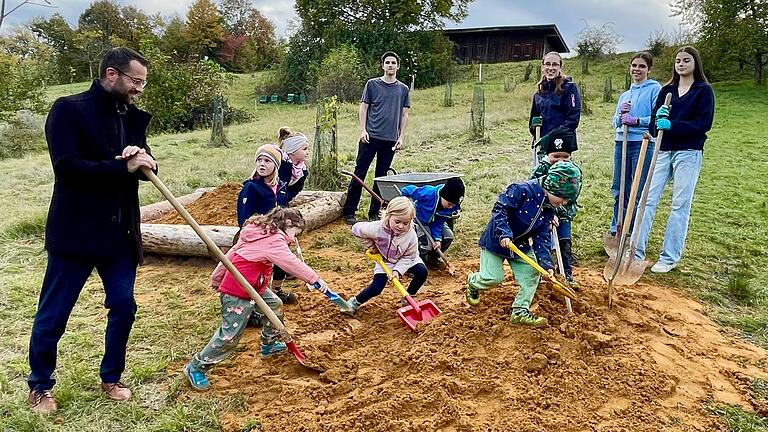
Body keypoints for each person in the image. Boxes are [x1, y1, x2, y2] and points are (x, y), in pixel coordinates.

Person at [27, 47, 156, 414]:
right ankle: (39, 385)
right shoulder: (69, 109)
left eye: (143, 83)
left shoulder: (129, 116)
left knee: (124, 306)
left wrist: (146, 160)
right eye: (135, 81)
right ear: (111, 74)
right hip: (76, 234)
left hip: (119, 235)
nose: (139, 89)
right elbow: (67, 168)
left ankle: (111, 376)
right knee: (54, 313)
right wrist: (122, 168)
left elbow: (144, 163)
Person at [183, 208, 330, 391]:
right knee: (230, 335)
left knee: (275, 304)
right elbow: (290, 262)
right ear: (289, 224)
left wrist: (217, 276)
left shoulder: (259, 233)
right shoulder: (274, 240)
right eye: (295, 234)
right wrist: (315, 279)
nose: (293, 239)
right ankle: (196, 367)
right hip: (238, 293)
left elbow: (230, 256)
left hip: (256, 287)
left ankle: (268, 344)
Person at [466, 161, 582, 327]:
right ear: (553, 187)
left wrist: (546, 264)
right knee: (493, 278)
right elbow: (500, 209)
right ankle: (473, 282)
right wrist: (504, 233)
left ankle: (520, 311)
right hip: (496, 240)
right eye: (563, 198)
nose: (563, 203)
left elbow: (542, 238)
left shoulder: (549, 208)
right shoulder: (522, 190)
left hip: (519, 244)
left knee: (531, 274)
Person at [634, 46, 715, 273]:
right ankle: (636, 251)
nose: (681, 64)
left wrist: (673, 125)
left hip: (688, 152)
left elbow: (703, 124)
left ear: (695, 64)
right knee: (647, 199)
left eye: (686, 60)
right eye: (678, 61)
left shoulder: (703, 91)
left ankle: (669, 257)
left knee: (680, 204)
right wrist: (657, 121)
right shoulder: (667, 90)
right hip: (663, 149)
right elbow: (653, 122)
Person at [343, 51, 411, 225]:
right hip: (370, 137)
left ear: (398, 66)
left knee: (381, 177)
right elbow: (363, 108)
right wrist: (362, 130)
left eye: (393, 63)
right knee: (360, 173)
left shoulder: (403, 89)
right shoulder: (372, 84)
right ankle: (350, 211)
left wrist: (401, 137)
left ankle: (375, 212)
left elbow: (404, 114)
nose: (390, 65)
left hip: (390, 140)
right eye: (387, 62)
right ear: (382, 66)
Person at [236, 144, 296, 306]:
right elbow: (244, 217)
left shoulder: (281, 187)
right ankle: (250, 302)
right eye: (259, 160)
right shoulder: (251, 188)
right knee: (256, 270)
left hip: (277, 234)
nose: (262, 164)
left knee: (282, 262)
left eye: (267, 161)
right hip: (257, 237)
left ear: (276, 166)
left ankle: (276, 290)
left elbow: (284, 211)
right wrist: (253, 233)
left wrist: (288, 230)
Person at [609, 52, 662, 236]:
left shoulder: (655, 89)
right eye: (634, 66)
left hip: (643, 142)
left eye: (642, 66)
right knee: (618, 188)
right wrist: (620, 116)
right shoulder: (625, 95)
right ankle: (617, 227)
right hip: (621, 142)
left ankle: (632, 230)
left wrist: (636, 120)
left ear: (649, 69)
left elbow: (656, 118)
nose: (637, 69)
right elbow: (615, 122)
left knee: (637, 189)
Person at [346, 197, 428, 314]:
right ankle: (354, 303)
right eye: (397, 222)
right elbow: (356, 229)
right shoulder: (377, 228)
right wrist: (372, 246)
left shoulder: (411, 236)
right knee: (376, 288)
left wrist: (397, 271)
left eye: (406, 223)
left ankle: (408, 298)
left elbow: (409, 257)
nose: (401, 226)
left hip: (406, 258)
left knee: (422, 272)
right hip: (385, 260)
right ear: (389, 216)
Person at [530, 128, 582, 287]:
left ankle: (567, 275)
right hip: (543, 216)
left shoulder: (573, 172)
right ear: (548, 155)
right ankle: (542, 274)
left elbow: (573, 194)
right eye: (556, 156)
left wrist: (560, 212)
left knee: (565, 244)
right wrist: (548, 212)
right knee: (543, 245)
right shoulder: (542, 169)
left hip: (564, 215)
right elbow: (533, 190)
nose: (560, 160)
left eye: (565, 157)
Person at [399, 177, 465, 265]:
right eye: (449, 204)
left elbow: (438, 222)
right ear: (443, 195)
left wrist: (437, 239)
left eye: (453, 205)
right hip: (419, 219)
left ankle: (432, 258)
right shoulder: (428, 193)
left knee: (448, 236)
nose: (451, 207)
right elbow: (408, 190)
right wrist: (406, 202)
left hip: (433, 222)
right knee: (427, 245)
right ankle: (415, 264)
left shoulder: (451, 207)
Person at [529, 51, 581, 158]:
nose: (551, 68)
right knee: (540, 173)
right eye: (547, 64)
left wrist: (551, 137)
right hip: (541, 143)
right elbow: (533, 118)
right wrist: (534, 128)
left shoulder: (569, 88)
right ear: (543, 67)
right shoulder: (539, 93)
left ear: (560, 68)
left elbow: (573, 119)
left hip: (561, 145)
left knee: (558, 174)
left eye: (555, 64)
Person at [277, 127, 310, 205]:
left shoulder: (303, 170)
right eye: (304, 149)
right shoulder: (280, 165)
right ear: (292, 150)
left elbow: (296, 191)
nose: (308, 152)